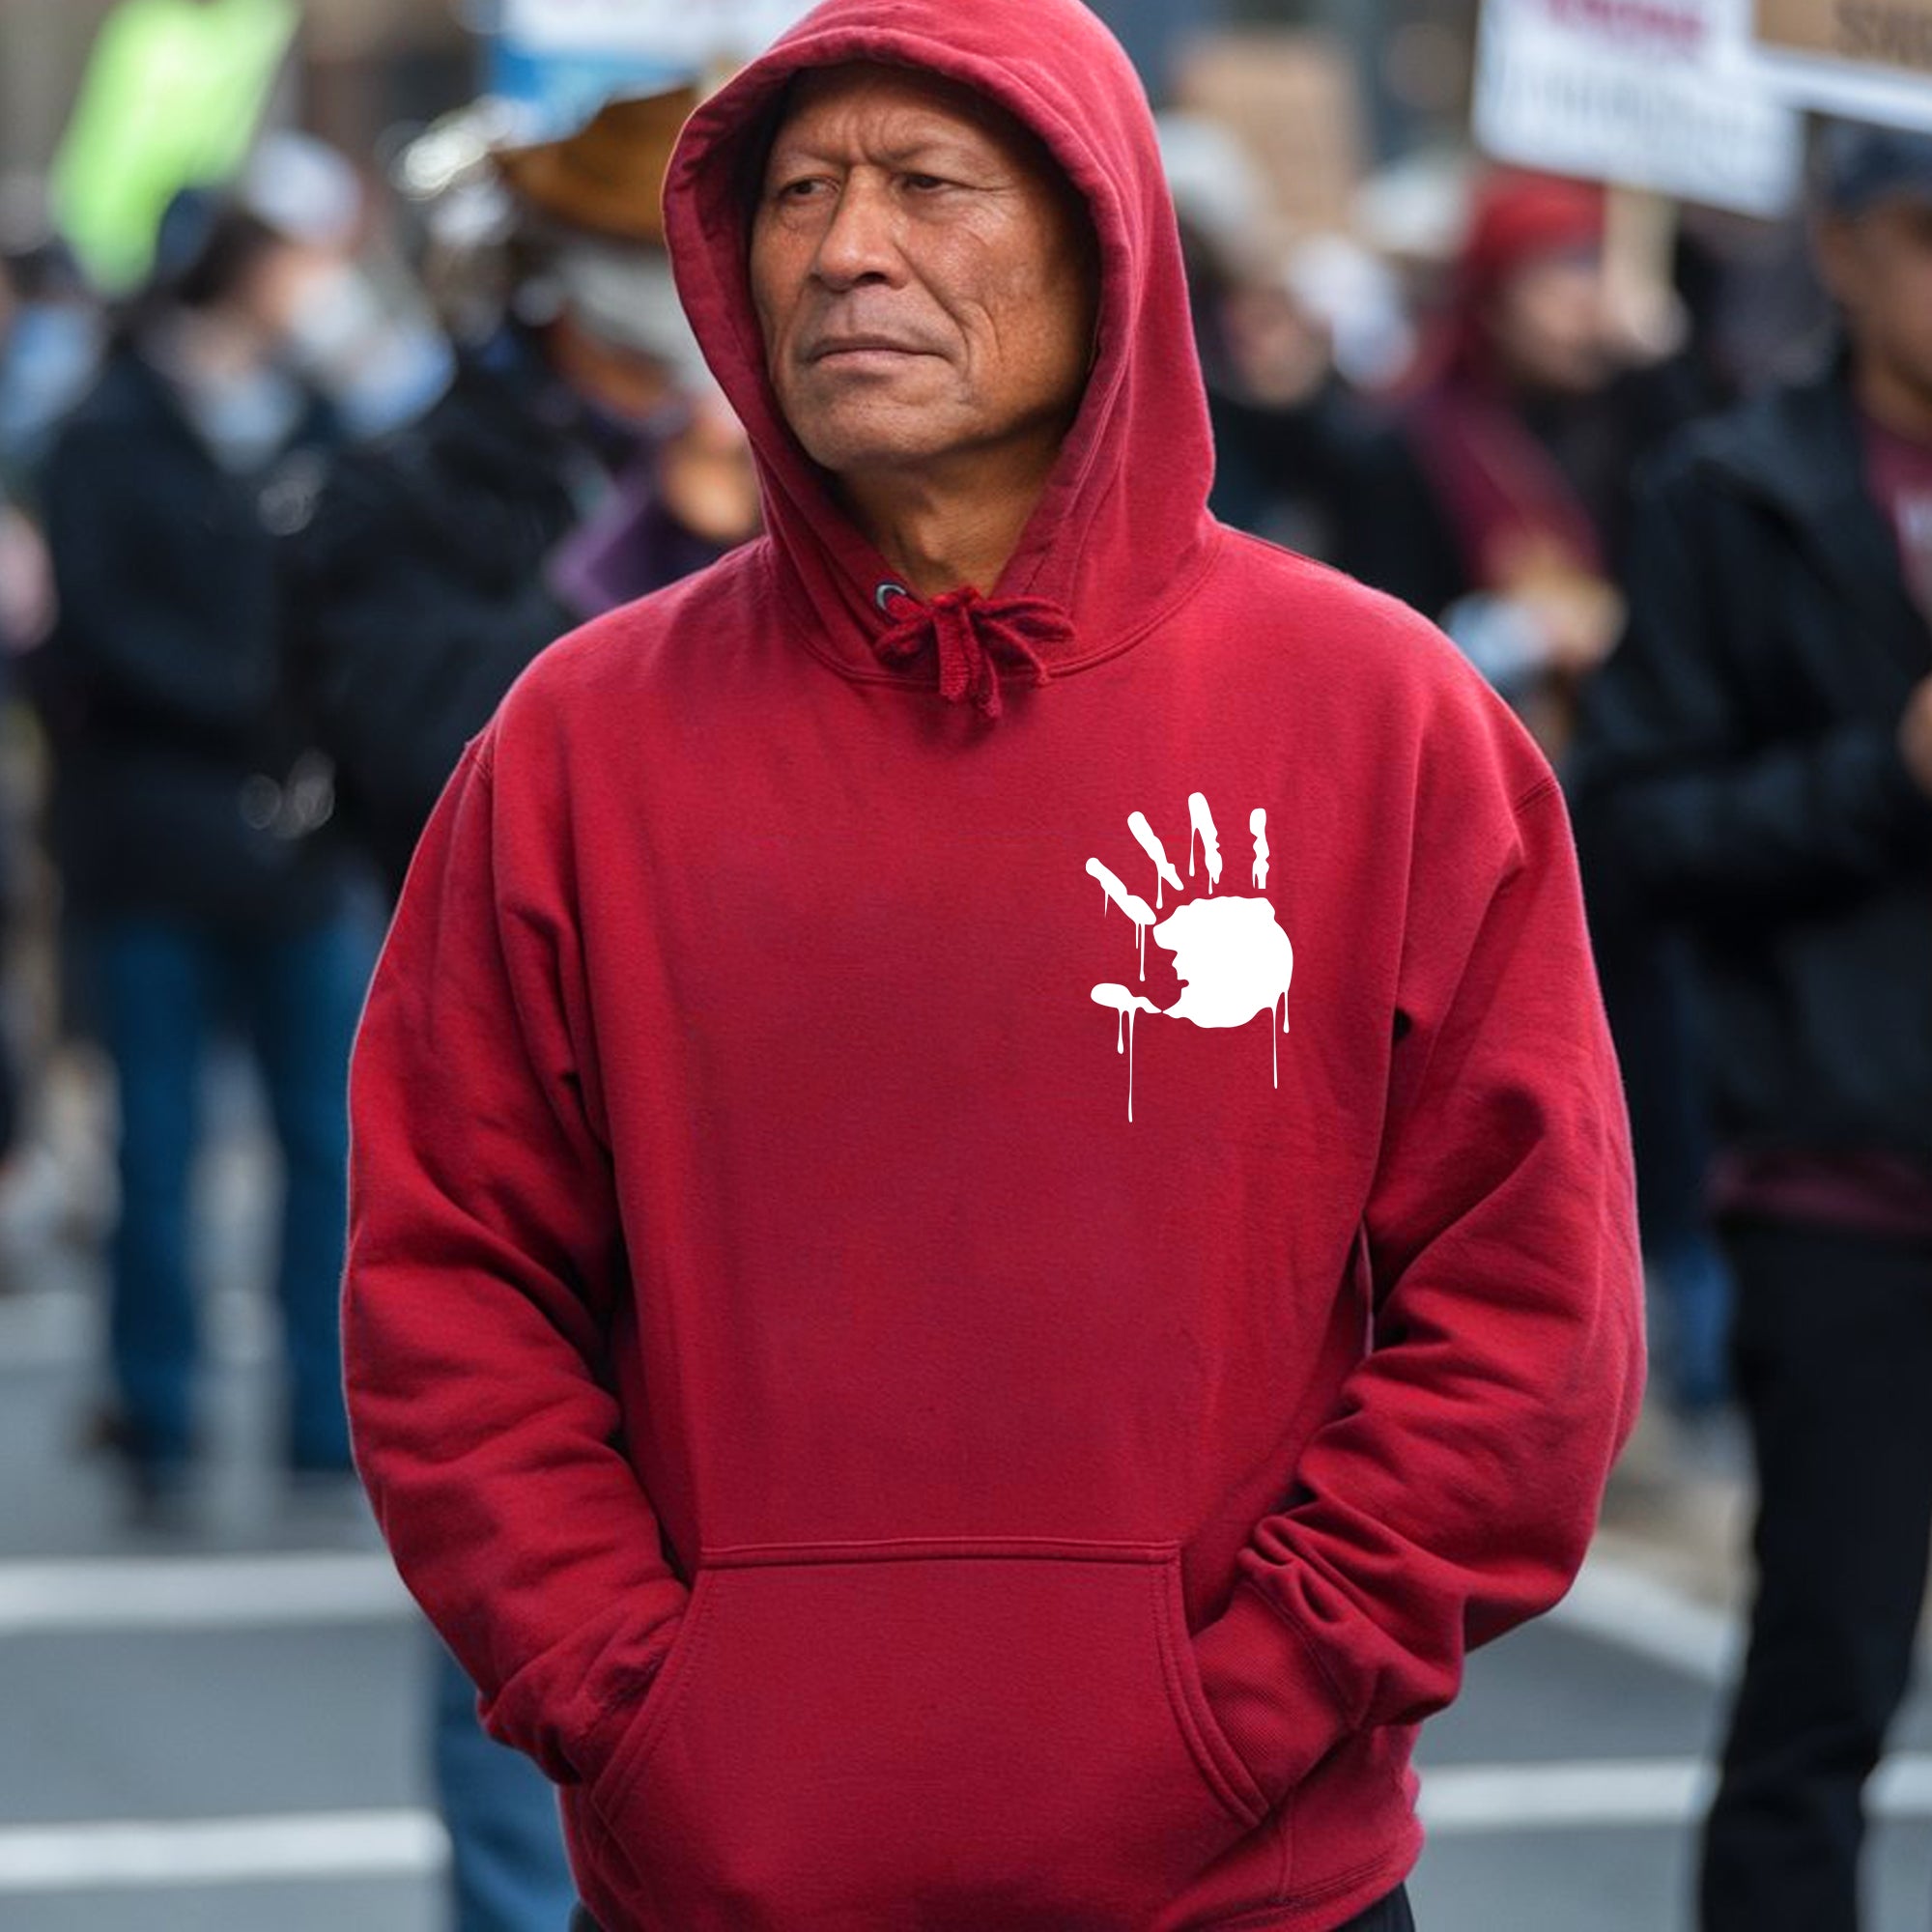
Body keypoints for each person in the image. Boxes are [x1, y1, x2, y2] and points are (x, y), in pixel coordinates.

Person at [342, 3, 1645, 1928]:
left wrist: (1257, 1694)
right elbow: (451, 1284)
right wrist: (632, 1695)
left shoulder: (1379, 716)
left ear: (1104, 241)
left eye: (928, 186)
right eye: (795, 194)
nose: (846, 248)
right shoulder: (576, 741)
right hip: (727, 1875)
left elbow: (1529, 1307)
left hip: (1246, 1882)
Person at [285, 83, 757, 1932]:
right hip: (529, 1078)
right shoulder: (414, 483)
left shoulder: (814, 447)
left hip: (764, 1098)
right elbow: (418, 751)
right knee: (528, 1556)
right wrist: (645, 567)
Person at [1573, 122, 1932, 1932]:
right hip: (1847, 1173)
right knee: (1824, 1683)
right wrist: (1888, 777)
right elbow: (1635, 830)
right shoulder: (1736, 489)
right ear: (1845, 247)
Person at [37, 185, 376, 1521]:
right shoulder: (105, 432)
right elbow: (95, 632)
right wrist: (259, 705)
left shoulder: (326, 418)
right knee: (159, 1141)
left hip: (302, 847)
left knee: (324, 1144)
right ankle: (158, 1418)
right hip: (154, 840)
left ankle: (320, 1415)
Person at [285, 85, 755, 898]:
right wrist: (646, 540)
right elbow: (428, 763)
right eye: (661, 250)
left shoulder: (773, 465)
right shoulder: (410, 484)